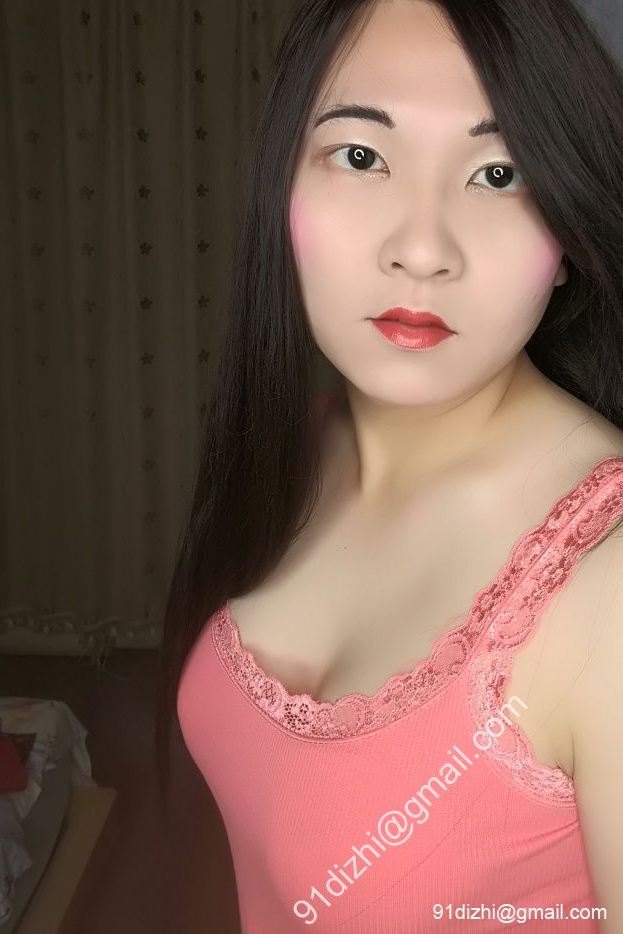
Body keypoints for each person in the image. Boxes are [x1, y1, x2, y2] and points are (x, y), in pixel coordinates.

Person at [157, 0, 623, 929]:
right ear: (283, 187)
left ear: (568, 235)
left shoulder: (607, 589)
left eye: (499, 174)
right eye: (363, 156)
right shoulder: (307, 445)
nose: (422, 250)